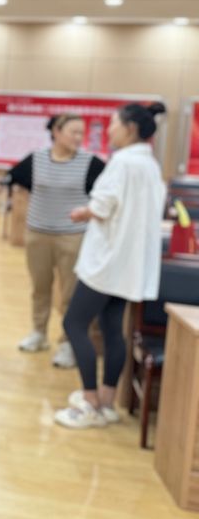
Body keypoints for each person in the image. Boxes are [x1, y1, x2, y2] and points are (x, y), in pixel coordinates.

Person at [54, 103, 167, 429]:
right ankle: (106, 402)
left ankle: (89, 402)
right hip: (129, 265)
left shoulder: (122, 162)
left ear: (130, 128)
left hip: (105, 263)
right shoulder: (150, 165)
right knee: (112, 328)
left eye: (114, 124)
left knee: (74, 323)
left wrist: (82, 212)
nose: (109, 130)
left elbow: (103, 206)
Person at [0, 114, 106, 368]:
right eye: (73, 132)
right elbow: (9, 178)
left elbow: (106, 196)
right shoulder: (37, 159)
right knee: (40, 287)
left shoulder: (91, 163)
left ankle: (68, 342)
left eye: (81, 132)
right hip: (37, 234)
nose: (78, 137)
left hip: (73, 236)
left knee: (70, 293)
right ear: (56, 132)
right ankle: (39, 333)